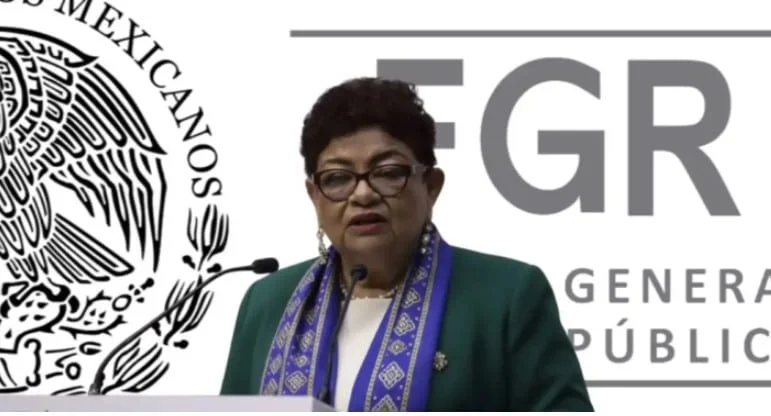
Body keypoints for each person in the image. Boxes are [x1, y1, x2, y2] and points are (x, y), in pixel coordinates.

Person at [219, 77, 594, 412]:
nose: (362, 194)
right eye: (337, 178)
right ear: (314, 196)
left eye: (387, 173)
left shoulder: (507, 296)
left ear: (431, 187)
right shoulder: (267, 302)